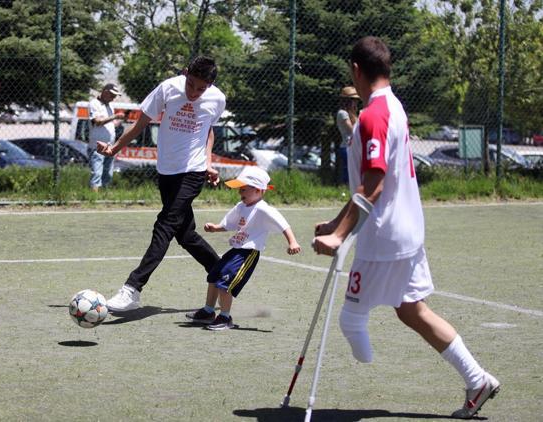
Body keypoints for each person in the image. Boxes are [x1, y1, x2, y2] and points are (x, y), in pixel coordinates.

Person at [311, 36, 499, 419]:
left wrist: (339, 234)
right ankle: (477, 379)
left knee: (351, 319)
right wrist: (336, 221)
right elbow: (378, 178)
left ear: (356, 70)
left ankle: (364, 377)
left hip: (384, 235)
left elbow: (375, 182)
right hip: (408, 229)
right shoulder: (393, 106)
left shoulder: (374, 115)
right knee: (411, 310)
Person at [97, 56, 225, 312]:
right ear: (185, 74)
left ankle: (132, 288)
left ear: (210, 85)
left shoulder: (217, 99)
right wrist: (114, 149)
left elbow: (208, 130)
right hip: (167, 172)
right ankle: (222, 271)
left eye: (201, 89)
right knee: (185, 235)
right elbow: (138, 125)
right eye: (191, 85)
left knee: (165, 225)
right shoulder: (167, 89)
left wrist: (208, 163)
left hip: (193, 172)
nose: (194, 93)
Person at [185, 166, 301, 330]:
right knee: (214, 276)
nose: (241, 193)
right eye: (240, 190)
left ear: (259, 191)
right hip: (236, 250)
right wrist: (216, 227)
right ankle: (208, 311)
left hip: (248, 253)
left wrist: (292, 241)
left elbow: (283, 225)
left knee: (226, 283)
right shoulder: (241, 206)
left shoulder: (263, 208)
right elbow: (229, 223)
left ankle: (225, 317)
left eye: (244, 189)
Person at [87, 83, 125, 191]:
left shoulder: (110, 106)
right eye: (112, 95)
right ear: (105, 92)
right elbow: (97, 121)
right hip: (97, 146)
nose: (113, 98)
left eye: (115, 96)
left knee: (108, 174)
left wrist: (121, 119)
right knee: (97, 174)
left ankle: (104, 196)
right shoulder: (94, 104)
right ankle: (93, 198)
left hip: (110, 146)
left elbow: (110, 123)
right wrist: (115, 116)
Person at [335, 86, 359, 184]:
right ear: (348, 101)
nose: (356, 103)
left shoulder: (352, 114)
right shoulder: (342, 113)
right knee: (348, 171)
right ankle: (345, 187)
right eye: (354, 100)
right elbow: (352, 130)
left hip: (354, 146)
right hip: (347, 146)